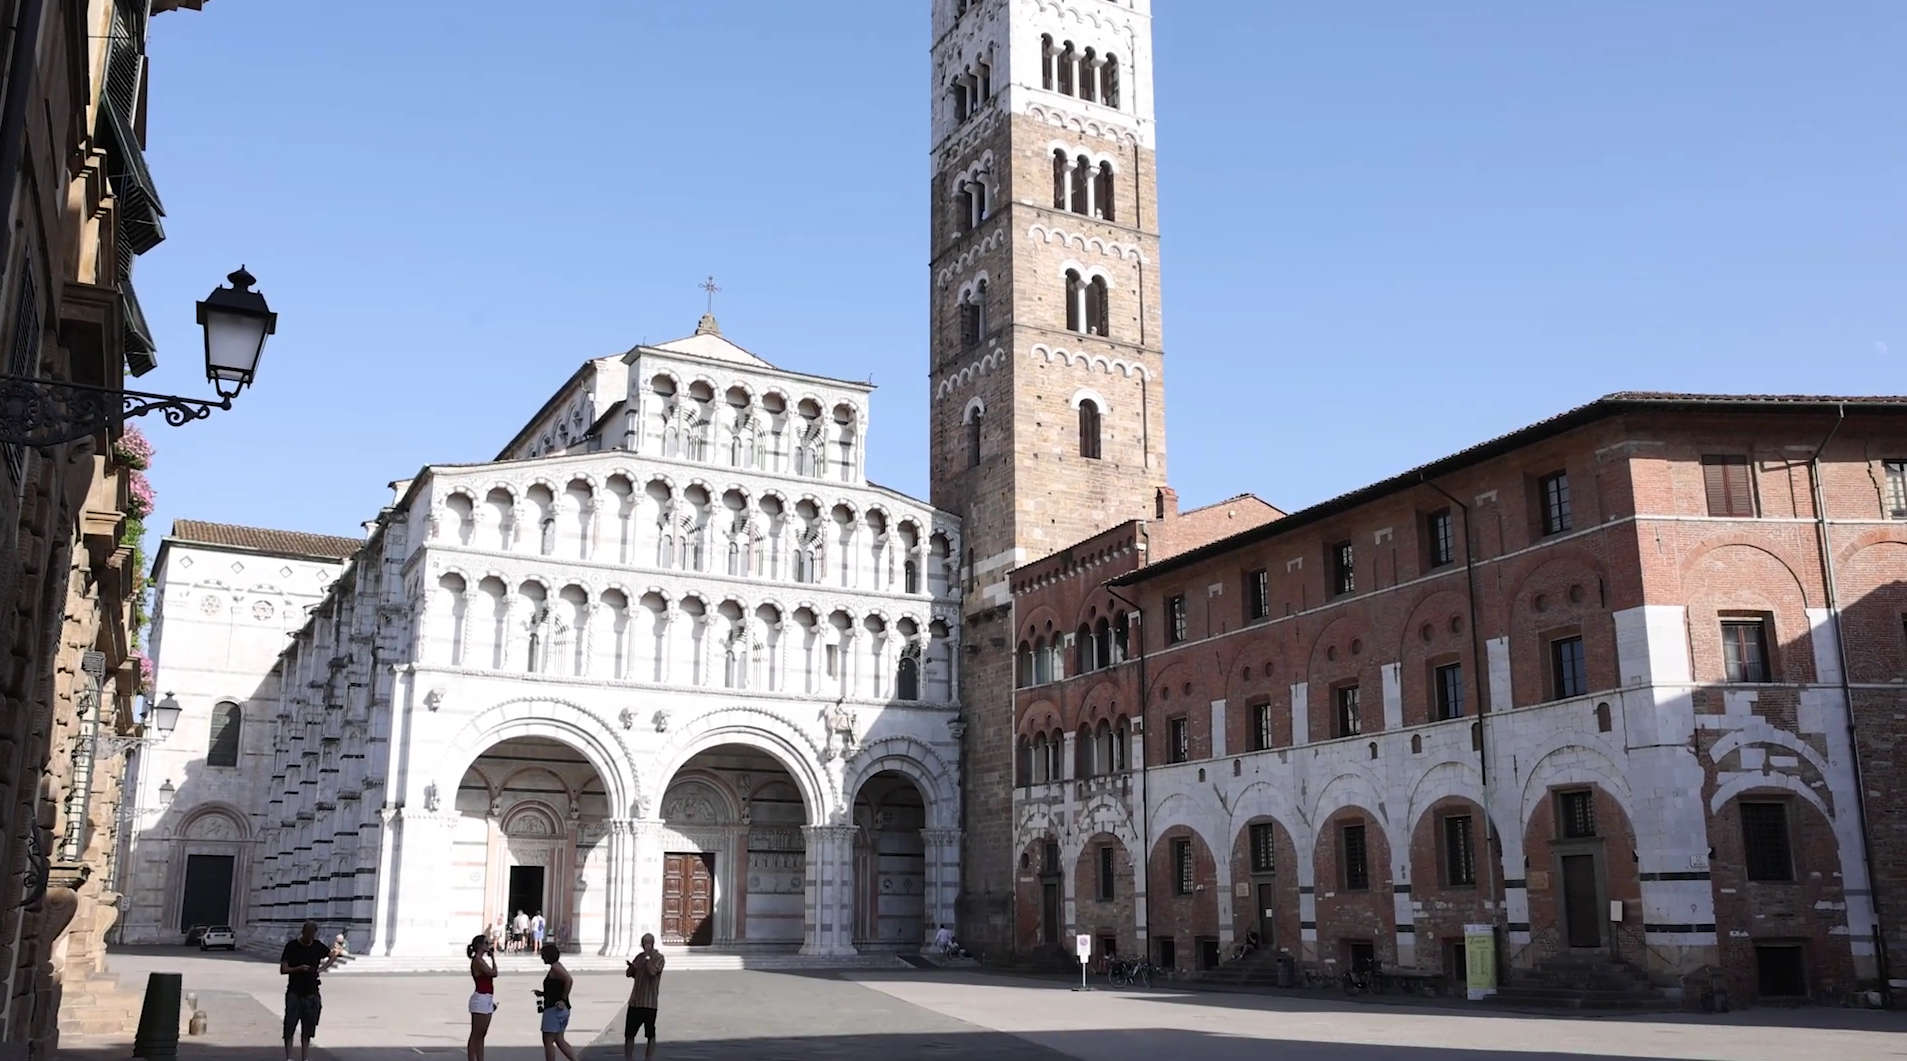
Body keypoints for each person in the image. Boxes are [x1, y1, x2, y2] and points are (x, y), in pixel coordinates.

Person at [278, 920, 338, 1061]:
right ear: (303, 932)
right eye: (307, 934)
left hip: (312, 992)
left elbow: (333, 955)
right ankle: (289, 1057)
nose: (309, 937)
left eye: (312, 934)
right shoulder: (292, 946)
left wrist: (322, 968)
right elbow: (283, 969)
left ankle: (305, 1058)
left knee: (308, 1027)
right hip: (294, 991)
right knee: (289, 1025)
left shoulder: (317, 946)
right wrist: (298, 968)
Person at [623, 932, 666, 1061]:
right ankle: (628, 1058)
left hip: (649, 1003)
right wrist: (632, 967)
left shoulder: (659, 958)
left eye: (647, 942)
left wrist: (647, 958)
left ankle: (648, 1058)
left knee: (650, 1034)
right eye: (643, 942)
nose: (645, 945)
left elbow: (653, 972)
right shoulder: (639, 957)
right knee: (629, 1034)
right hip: (635, 1002)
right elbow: (629, 974)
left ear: (652, 943)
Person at [535, 942, 578, 1061]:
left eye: (543, 955)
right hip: (561, 1009)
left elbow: (569, 980)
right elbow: (556, 987)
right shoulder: (558, 966)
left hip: (554, 1009)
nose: (541, 957)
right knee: (559, 1039)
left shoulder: (555, 967)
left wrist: (563, 999)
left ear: (548, 955)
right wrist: (543, 993)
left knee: (548, 1040)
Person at [467, 933, 498, 1061]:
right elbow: (494, 973)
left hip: (487, 998)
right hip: (480, 998)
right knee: (476, 1034)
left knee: (482, 1034)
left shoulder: (481, 960)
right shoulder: (478, 961)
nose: (488, 945)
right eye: (486, 943)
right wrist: (493, 959)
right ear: (479, 946)